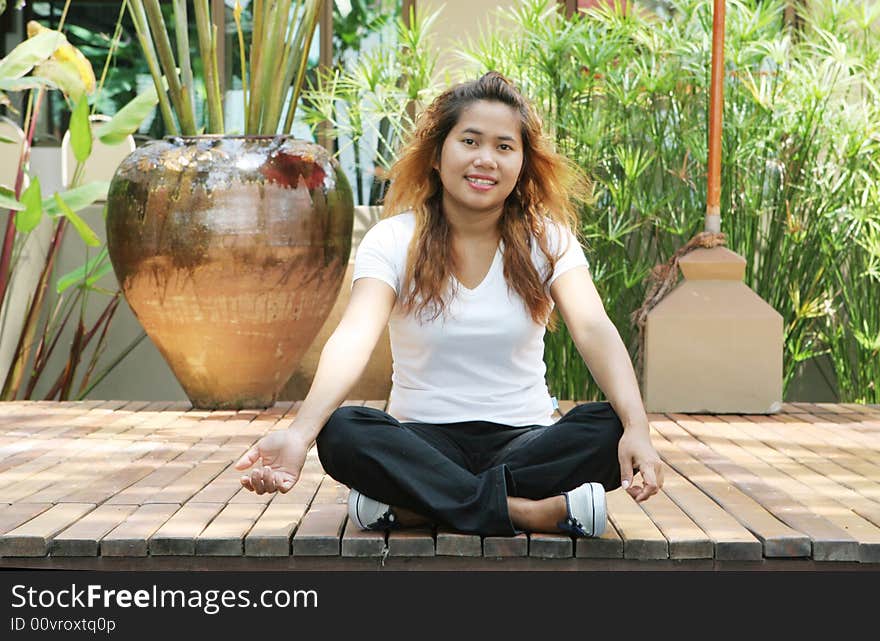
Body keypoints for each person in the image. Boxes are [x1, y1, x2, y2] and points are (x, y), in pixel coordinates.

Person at [235, 71, 663, 538]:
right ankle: (530, 512)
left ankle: (415, 506)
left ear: (522, 164)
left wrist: (637, 426)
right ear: (438, 155)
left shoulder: (548, 240)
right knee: (341, 432)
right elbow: (354, 338)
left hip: (526, 438)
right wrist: (300, 434)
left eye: (504, 147)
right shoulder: (394, 239)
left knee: (607, 427)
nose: (486, 159)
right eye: (470, 141)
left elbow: (594, 330)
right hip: (423, 439)